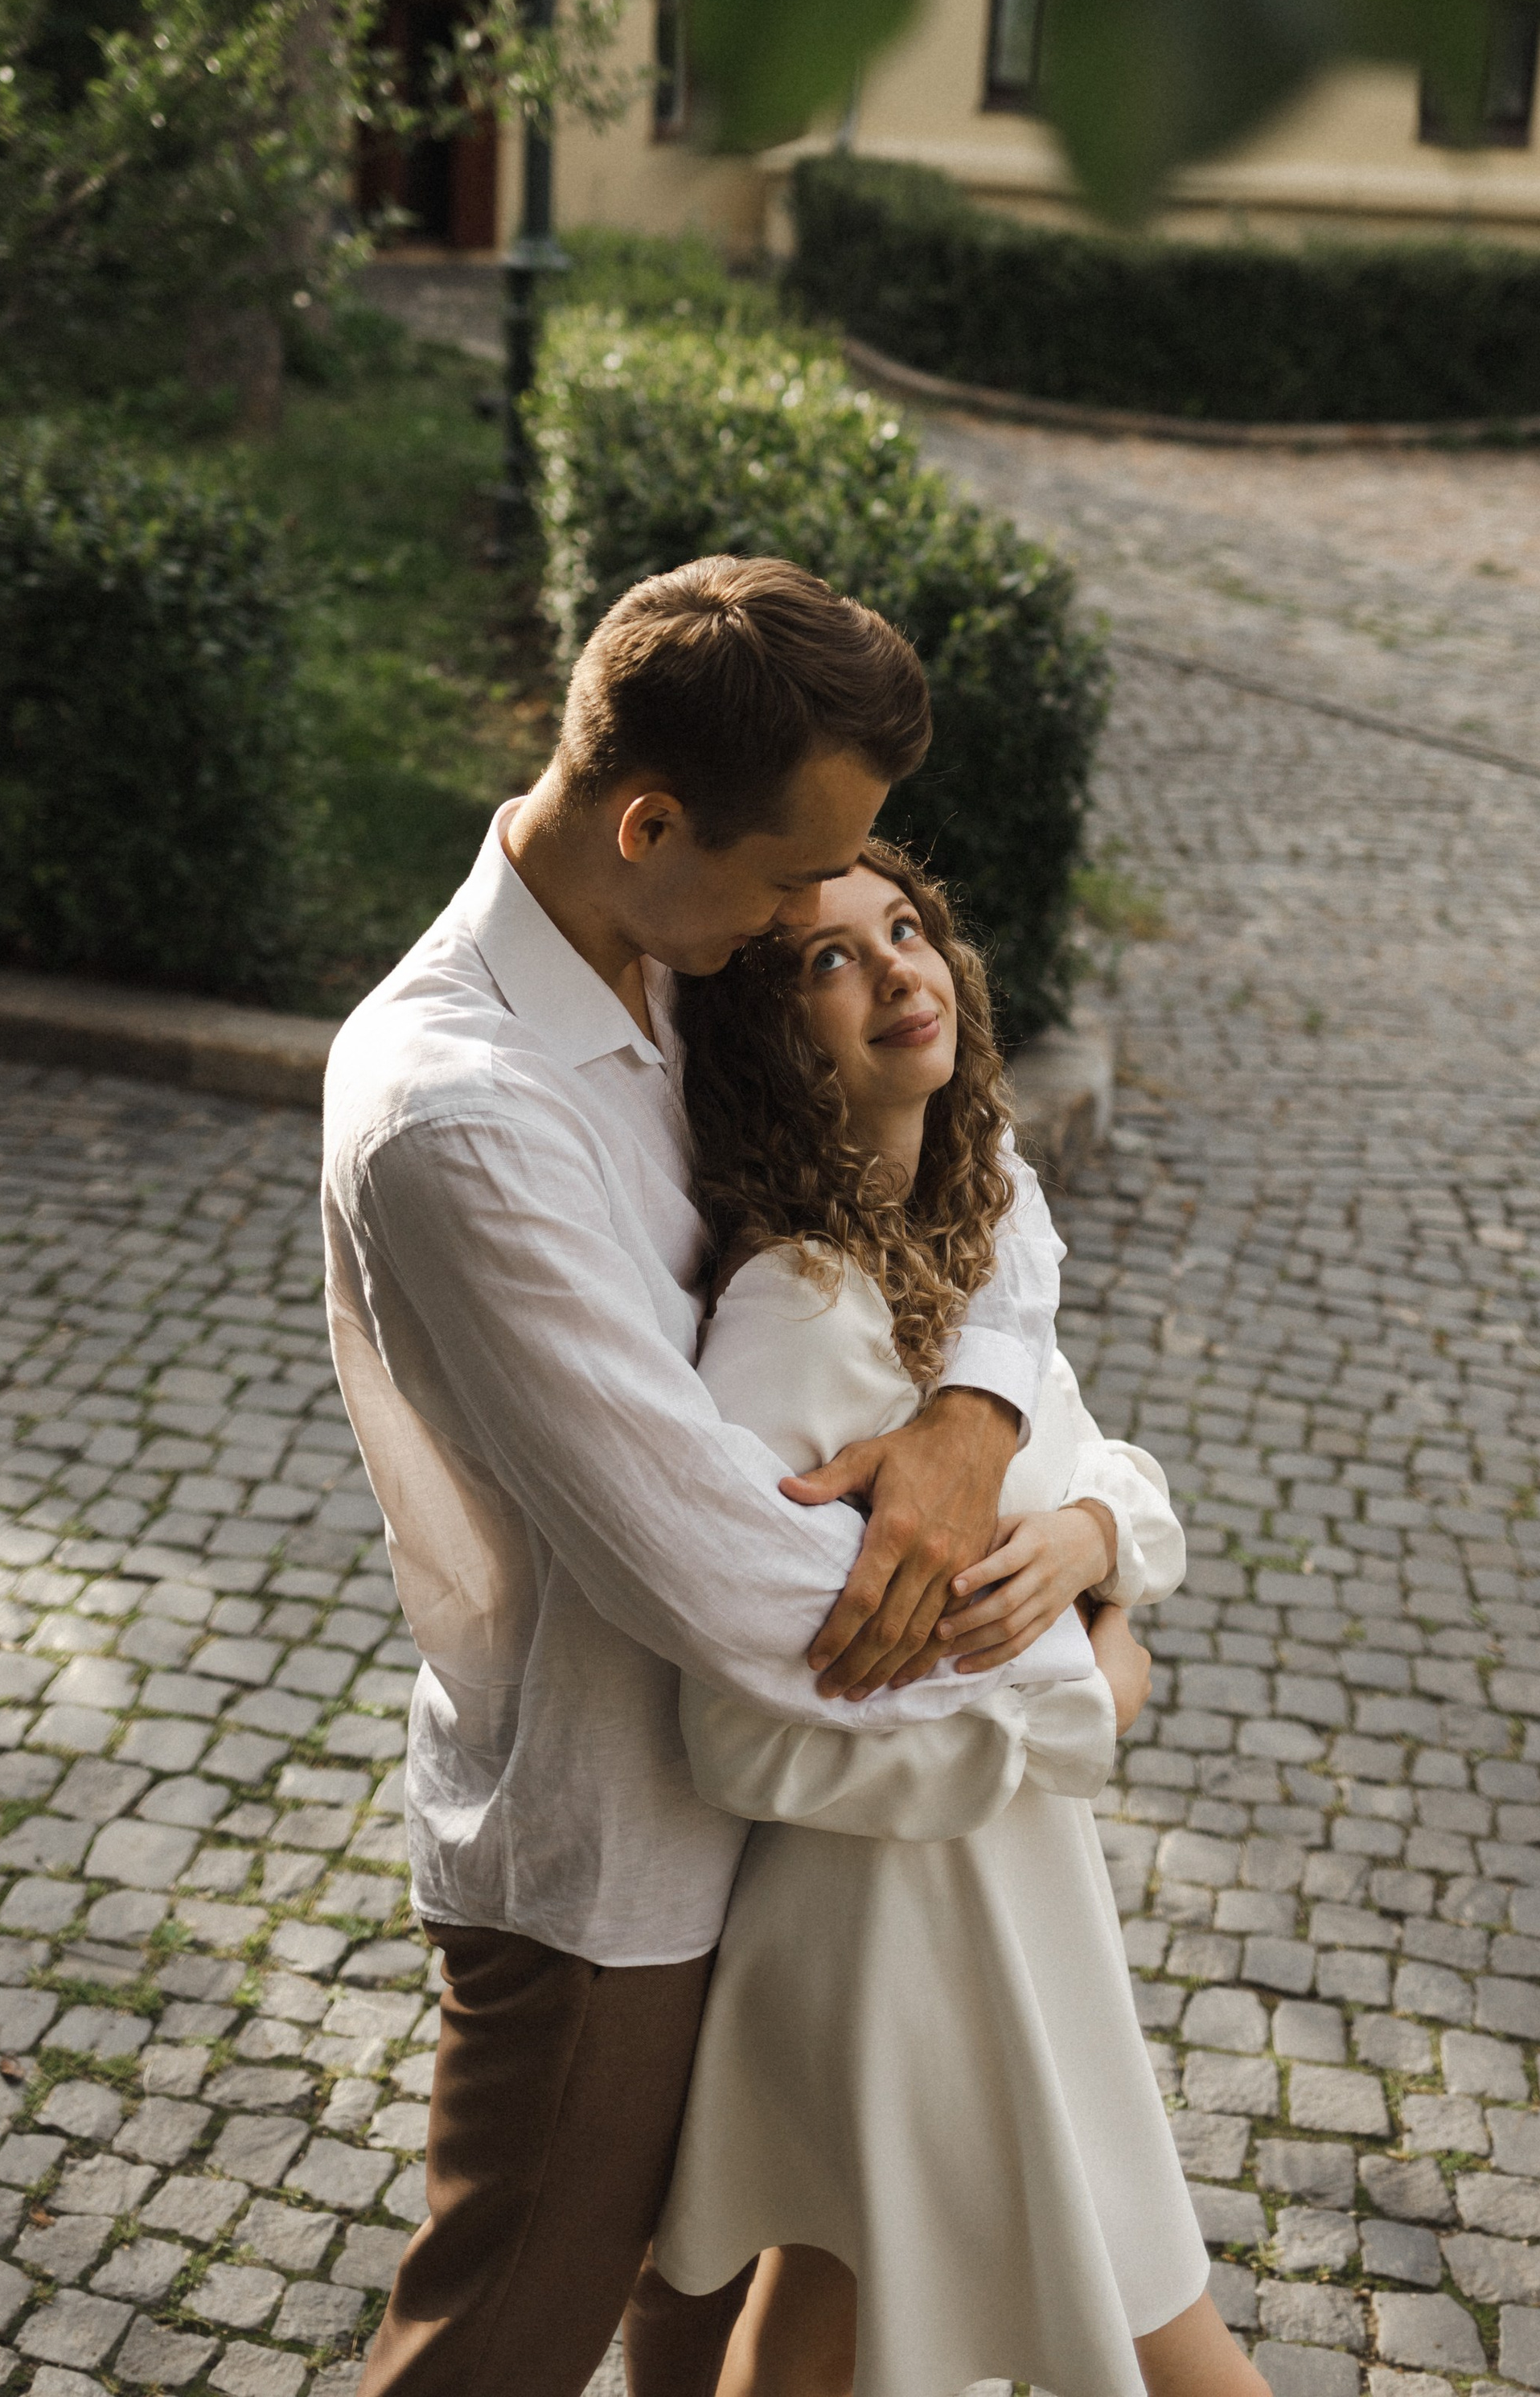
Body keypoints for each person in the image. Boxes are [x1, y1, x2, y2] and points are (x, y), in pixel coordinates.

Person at [323, 557, 1103, 2397]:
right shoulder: (459, 1118)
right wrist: (1069, 1659)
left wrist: (977, 1420)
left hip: (798, 1837)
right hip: (615, 1870)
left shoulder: (692, 944)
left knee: (711, 2338)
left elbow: (975, 1159)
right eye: (784, 879)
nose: (808, 918)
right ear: (648, 820)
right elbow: (733, 1580)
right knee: (496, 2354)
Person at [652, 843, 1273, 2397]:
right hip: (896, 1937)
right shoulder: (797, 1316)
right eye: (829, 959)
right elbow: (736, 1730)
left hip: (1004, 1902)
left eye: (905, 928)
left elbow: (1096, 1458)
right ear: (773, 1039)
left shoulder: (966, 1233)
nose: (895, 969)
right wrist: (1087, 1696)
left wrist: (1084, 1537)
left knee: (828, 2312)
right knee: (1150, 2320)